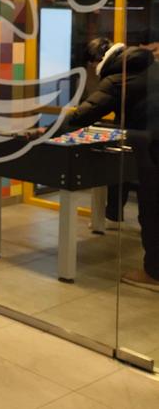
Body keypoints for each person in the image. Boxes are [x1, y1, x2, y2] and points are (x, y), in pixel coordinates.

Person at [35, 38, 159, 291]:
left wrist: (45, 132)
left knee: (152, 208)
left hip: (153, 147)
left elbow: (83, 115)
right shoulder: (150, 66)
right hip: (152, 140)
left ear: (96, 61)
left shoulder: (117, 78)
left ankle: (154, 274)